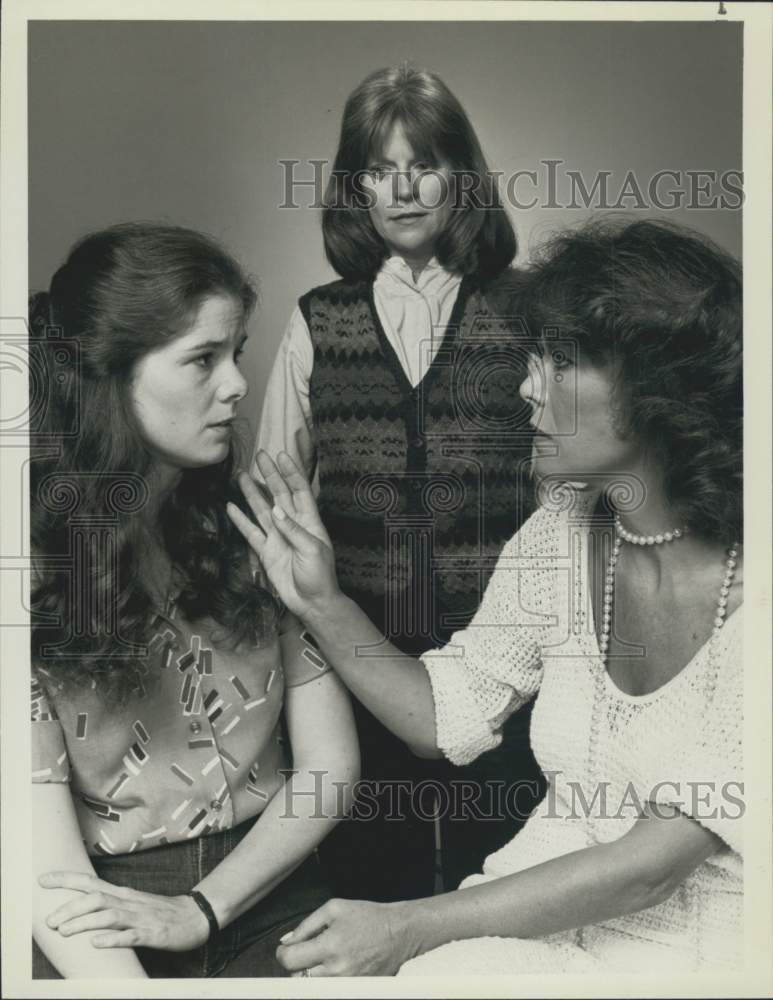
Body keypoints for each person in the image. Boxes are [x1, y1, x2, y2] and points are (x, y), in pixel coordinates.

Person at [229, 218, 744, 975]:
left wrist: (408, 927)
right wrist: (322, 602)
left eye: (560, 362)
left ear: (656, 389)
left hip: (705, 955)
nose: (525, 384)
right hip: (525, 924)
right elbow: (439, 720)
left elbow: (651, 867)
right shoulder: (560, 534)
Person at [29, 222, 358, 979]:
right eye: (202, 359)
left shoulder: (256, 532)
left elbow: (329, 767)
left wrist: (205, 907)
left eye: (234, 353)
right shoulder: (34, 574)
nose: (238, 384)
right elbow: (46, 869)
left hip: (269, 889)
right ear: (108, 377)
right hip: (94, 912)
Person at [255, 63, 544, 902]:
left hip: (506, 655)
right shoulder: (318, 320)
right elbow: (275, 494)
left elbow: (571, 492)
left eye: (424, 164)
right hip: (358, 652)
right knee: (371, 886)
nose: (404, 188)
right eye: (379, 169)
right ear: (356, 190)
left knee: (502, 884)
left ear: (464, 178)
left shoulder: (526, 312)